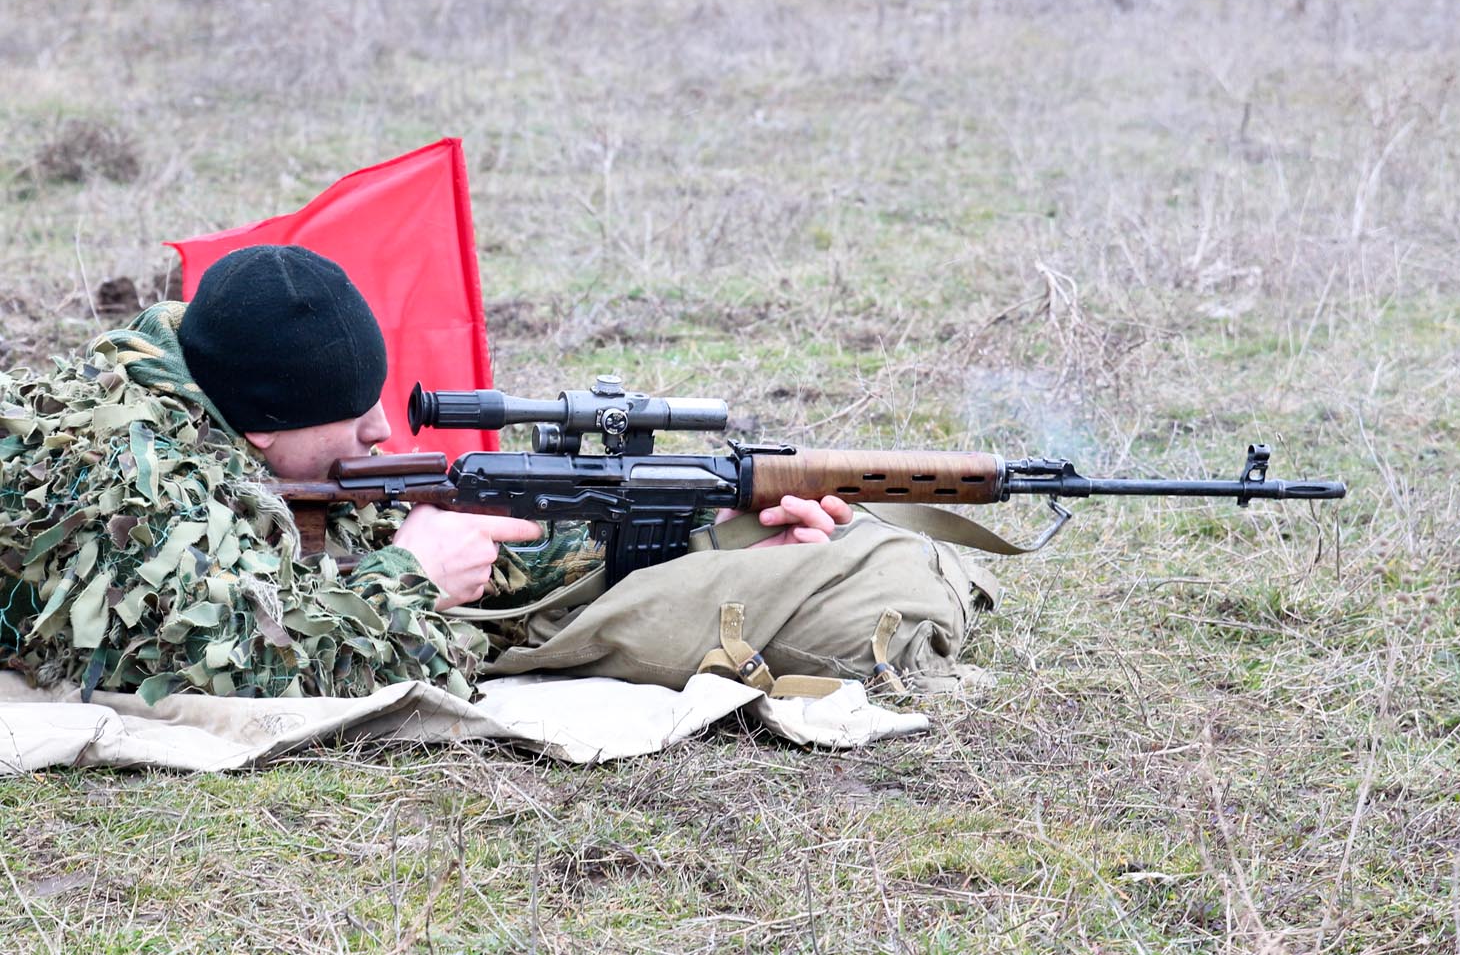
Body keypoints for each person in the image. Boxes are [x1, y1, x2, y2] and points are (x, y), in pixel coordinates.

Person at [0, 245, 872, 703]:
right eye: (352, 416)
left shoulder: (231, 411)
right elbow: (239, 668)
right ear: (263, 428)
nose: (380, 430)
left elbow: (469, 555)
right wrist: (410, 579)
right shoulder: (133, 481)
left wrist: (702, 529)